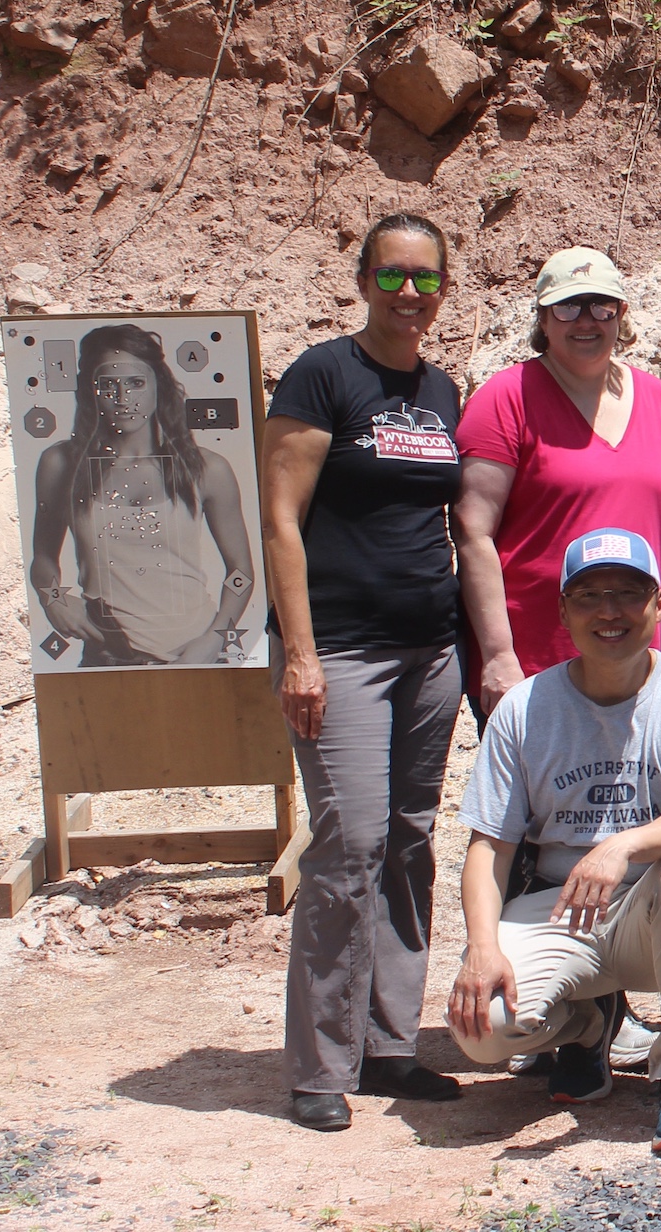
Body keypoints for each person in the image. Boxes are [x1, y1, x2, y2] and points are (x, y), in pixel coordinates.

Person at [261, 213, 465, 1131]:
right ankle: (319, 1065)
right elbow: (278, 520)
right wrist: (299, 653)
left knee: (411, 841)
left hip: (430, 650)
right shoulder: (322, 375)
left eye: (426, 279)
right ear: (363, 282)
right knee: (347, 847)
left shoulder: (444, 391)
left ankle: (390, 1046)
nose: (410, 295)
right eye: (393, 278)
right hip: (339, 650)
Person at [444, 528, 661, 1154]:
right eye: (589, 596)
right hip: (559, 909)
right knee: (482, 1031)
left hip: (654, 910)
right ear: (563, 611)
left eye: (629, 593)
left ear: (660, 604)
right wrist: (482, 947)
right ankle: (584, 1028)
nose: (610, 611)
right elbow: (488, 847)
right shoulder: (523, 709)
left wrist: (621, 846)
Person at [455, 247, 661, 722]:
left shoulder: (659, 400)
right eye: (567, 306)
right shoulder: (504, 398)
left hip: (638, 661)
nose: (585, 320)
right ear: (543, 318)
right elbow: (472, 534)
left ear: (621, 314)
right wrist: (499, 655)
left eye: (601, 306)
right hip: (537, 665)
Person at [29, 323, 257, 667]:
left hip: (196, 656)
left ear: (157, 387)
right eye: (108, 385)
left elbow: (241, 573)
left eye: (135, 383)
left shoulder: (208, 469)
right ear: (89, 391)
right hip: (108, 657)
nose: (123, 399)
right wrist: (52, 598)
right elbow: (43, 559)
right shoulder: (60, 463)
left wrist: (214, 640)